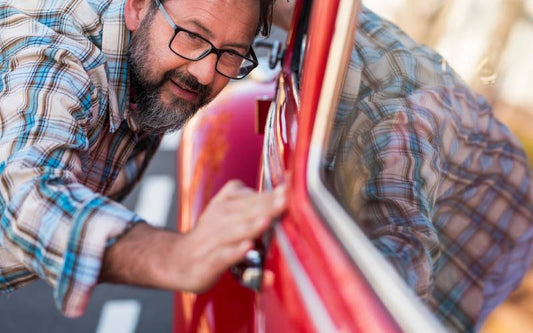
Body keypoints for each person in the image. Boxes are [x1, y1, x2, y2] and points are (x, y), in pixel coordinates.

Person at [0, 0, 287, 318]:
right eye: (192, 35)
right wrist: (176, 256)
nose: (205, 74)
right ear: (137, 8)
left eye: (232, 53)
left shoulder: (161, 43)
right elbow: (23, 193)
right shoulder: (61, 57)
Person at [272, 2, 533, 333]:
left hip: (495, 217)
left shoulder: (387, 114)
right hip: (487, 181)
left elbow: (404, 259)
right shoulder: (328, 22)